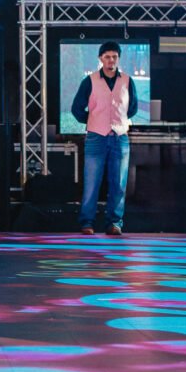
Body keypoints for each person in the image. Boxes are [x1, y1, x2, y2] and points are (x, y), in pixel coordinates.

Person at [71, 41, 137, 236]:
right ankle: (87, 223)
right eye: (107, 57)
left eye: (114, 57)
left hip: (120, 137)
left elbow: (132, 107)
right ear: (100, 58)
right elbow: (76, 108)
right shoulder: (90, 80)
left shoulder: (126, 80)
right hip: (96, 137)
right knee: (92, 182)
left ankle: (115, 223)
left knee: (118, 183)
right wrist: (91, 120)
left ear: (118, 59)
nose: (111, 60)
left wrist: (120, 121)